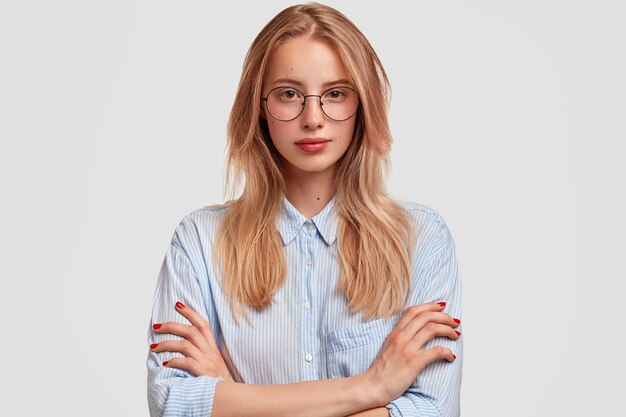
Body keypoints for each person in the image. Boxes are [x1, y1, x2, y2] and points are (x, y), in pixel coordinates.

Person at [146, 3, 463, 416]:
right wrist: (373, 387)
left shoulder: (421, 238)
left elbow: (432, 412)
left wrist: (232, 398)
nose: (313, 118)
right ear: (260, 105)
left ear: (361, 104)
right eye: (289, 94)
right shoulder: (200, 241)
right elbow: (173, 404)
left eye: (335, 94)